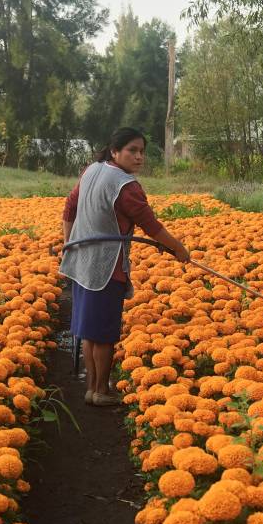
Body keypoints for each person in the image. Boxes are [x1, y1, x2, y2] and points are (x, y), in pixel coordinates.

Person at [59, 127, 190, 407]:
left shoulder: (92, 170)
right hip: (106, 269)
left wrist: (70, 243)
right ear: (115, 151)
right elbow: (151, 226)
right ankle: (101, 391)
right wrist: (179, 248)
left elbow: (69, 208)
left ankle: (91, 389)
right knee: (104, 334)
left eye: (142, 151)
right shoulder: (126, 186)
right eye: (132, 150)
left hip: (81, 264)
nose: (139, 157)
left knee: (89, 329)